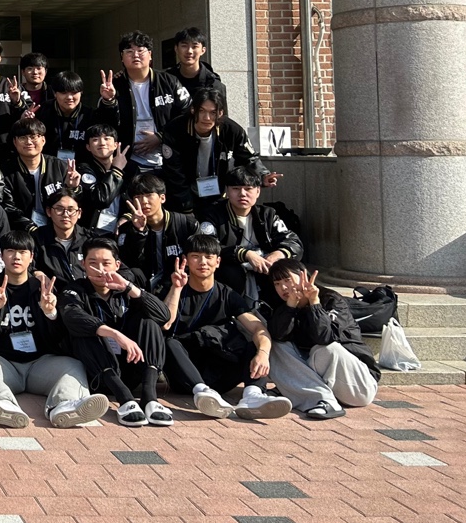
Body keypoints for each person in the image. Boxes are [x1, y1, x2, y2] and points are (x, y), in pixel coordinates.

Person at [0, 232, 110, 429]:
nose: (16, 257)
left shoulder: (43, 289)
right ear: (2, 255)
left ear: (31, 257)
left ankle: (63, 406)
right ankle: (5, 405)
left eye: (23, 252)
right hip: (3, 363)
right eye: (10, 251)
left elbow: (60, 335)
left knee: (73, 366)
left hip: (39, 363)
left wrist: (51, 313)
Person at [161, 235, 292, 421]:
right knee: (170, 343)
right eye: (196, 256)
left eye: (209, 257)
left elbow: (258, 328)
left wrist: (263, 353)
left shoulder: (228, 295)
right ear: (186, 261)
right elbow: (165, 323)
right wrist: (176, 289)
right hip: (185, 376)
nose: (203, 262)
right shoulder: (172, 288)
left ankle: (253, 395)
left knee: (254, 343)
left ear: (218, 262)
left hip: (220, 374)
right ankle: (203, 393)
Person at [59, 236, 170, 427]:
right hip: (99, 376)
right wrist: (114, 334)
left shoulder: (125, 289)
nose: (100, 269)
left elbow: (163, 316)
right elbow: (72, 316)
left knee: (149, 322)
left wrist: (128, 287)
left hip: (130, 366)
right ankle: (125, 399)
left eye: (106, 263)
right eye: (93, 263)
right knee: (86, 332)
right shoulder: (75, 290)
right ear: (83, 264)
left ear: (117, 265)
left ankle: (150, 398)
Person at [265, 259, 379, 420]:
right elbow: (279, 335)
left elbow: (324, 337)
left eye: (287, 280)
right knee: (275, 345)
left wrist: (314, 303)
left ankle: (300, 392)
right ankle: (322, 399)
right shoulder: (283, 307)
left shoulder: (331, 300)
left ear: (303, 276)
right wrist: (291, 306)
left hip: (358, 386)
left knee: (325, 349)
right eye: (277, 283)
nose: (283, 287)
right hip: (325, 385)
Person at [199, 166, 302, 303]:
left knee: (286, 269)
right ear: (227, 191)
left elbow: (293, 242)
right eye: (236, 189)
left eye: (248, 189)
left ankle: (291, 307)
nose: (242, 194)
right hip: (229, 273)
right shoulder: (212, 215)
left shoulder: (267, 214)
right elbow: (206, 246)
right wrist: (245, 254)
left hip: (264, 269)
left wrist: (279, 254)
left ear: (258, 191)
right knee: (231, 272)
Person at [159, 89, 270, 213]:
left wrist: (263, 175)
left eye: (213, 113)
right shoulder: (175, 129)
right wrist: (186, 205)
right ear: (193, 110)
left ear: (220, 113)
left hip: (217, 195)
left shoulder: (231, 130)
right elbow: (174, 172)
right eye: (201, 111)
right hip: (181, 197)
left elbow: (248, 157)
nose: (207, 118)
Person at [102, 31, 190, 173]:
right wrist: (109, 100)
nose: (135, 55)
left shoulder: (169, 82)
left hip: (168, 160)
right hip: (128, 162)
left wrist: (161, 136)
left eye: (140, 50)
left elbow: (187, 113)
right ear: (122, 57)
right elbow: (105, 125)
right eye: (129, 51)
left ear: (150, 54)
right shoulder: (114, 85)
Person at [115, 173, 199, 290]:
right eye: (138, 197)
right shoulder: (127, 229)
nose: (144, 201)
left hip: (179, 284)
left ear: (162, 198)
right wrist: (139, 232)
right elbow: (128, 263)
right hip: (143, 287)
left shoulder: (187, 224)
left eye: (149, 195)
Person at [0, 116, 80, 232]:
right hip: (22, 231)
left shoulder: (59, 166)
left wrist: (73, 188)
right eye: (22, 138)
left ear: (43, 140)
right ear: (15, 142)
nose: (28, 142)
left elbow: (74, 204)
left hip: (57, 229)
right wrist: (31, 229)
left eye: (33, 137)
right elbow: (8, 207)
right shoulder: (5, 171)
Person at [32, 71, 117, 167]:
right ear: (55, 93)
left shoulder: (89, 115)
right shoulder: (42, 112)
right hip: (49, 168)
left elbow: (110, 125)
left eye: (74, 93)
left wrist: (108, 100)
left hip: (83, 169)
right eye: (63, 93)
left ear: (81, 93)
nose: (69, 97)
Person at [32, 190, 92, 284]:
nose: (65, 214)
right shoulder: (37, 238)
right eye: (59, 209)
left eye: (71, 210)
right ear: (49, 211)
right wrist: (36, 273)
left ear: (79, 213)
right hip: (51, 291)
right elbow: (27, 266)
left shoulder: (91, 240)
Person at [165, 27, 226, 101]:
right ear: (176, 49)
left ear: (203, 50)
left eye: (194, 47)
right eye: (184, 46)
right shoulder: (166, 80)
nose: (189, 51)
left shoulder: (213, 84)